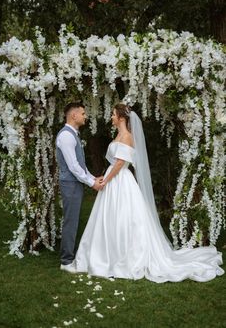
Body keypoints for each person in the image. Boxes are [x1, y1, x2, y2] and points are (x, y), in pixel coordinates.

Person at [67, 103, 224, 282]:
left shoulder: (127, 136)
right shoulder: (118, 135)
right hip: (113, 178)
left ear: (121, 118)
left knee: (124, 216)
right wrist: (106, 177)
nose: (111, 117)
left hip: (120, 180)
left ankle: (123, 257)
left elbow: (120, 163)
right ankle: (107, 254)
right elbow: (115, 163)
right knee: (110, 216)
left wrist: (106, 180)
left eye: (113, 114)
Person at [56, 102, 103, 272]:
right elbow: (73, 167)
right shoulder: (67, 136)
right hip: (70, 184)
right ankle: (66, 261)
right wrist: (92, 183)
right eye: (83, 113)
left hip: (74, 183)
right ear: (73, 115)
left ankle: (68, 256)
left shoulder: (73, 134)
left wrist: (93, 178)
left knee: (73, 220)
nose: (85, 116)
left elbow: (80, 165)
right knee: (71, 220)